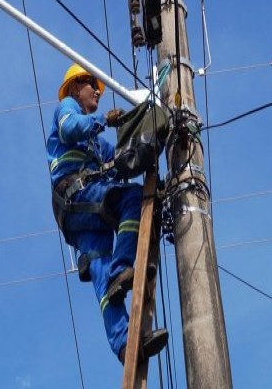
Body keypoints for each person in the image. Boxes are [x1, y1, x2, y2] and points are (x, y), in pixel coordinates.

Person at [47, 63, 168, 364]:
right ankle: (122, 268)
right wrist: (103, 120)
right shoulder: (67, 108)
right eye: (92, 88)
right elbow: (69, 128)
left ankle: (125, 343)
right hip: (76, 196)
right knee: (130, 199)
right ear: (76, 87)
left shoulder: (96, 144)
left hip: (82, 218)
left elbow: (120, 159)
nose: (97, 95)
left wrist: (145, 141)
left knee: (101, 275)